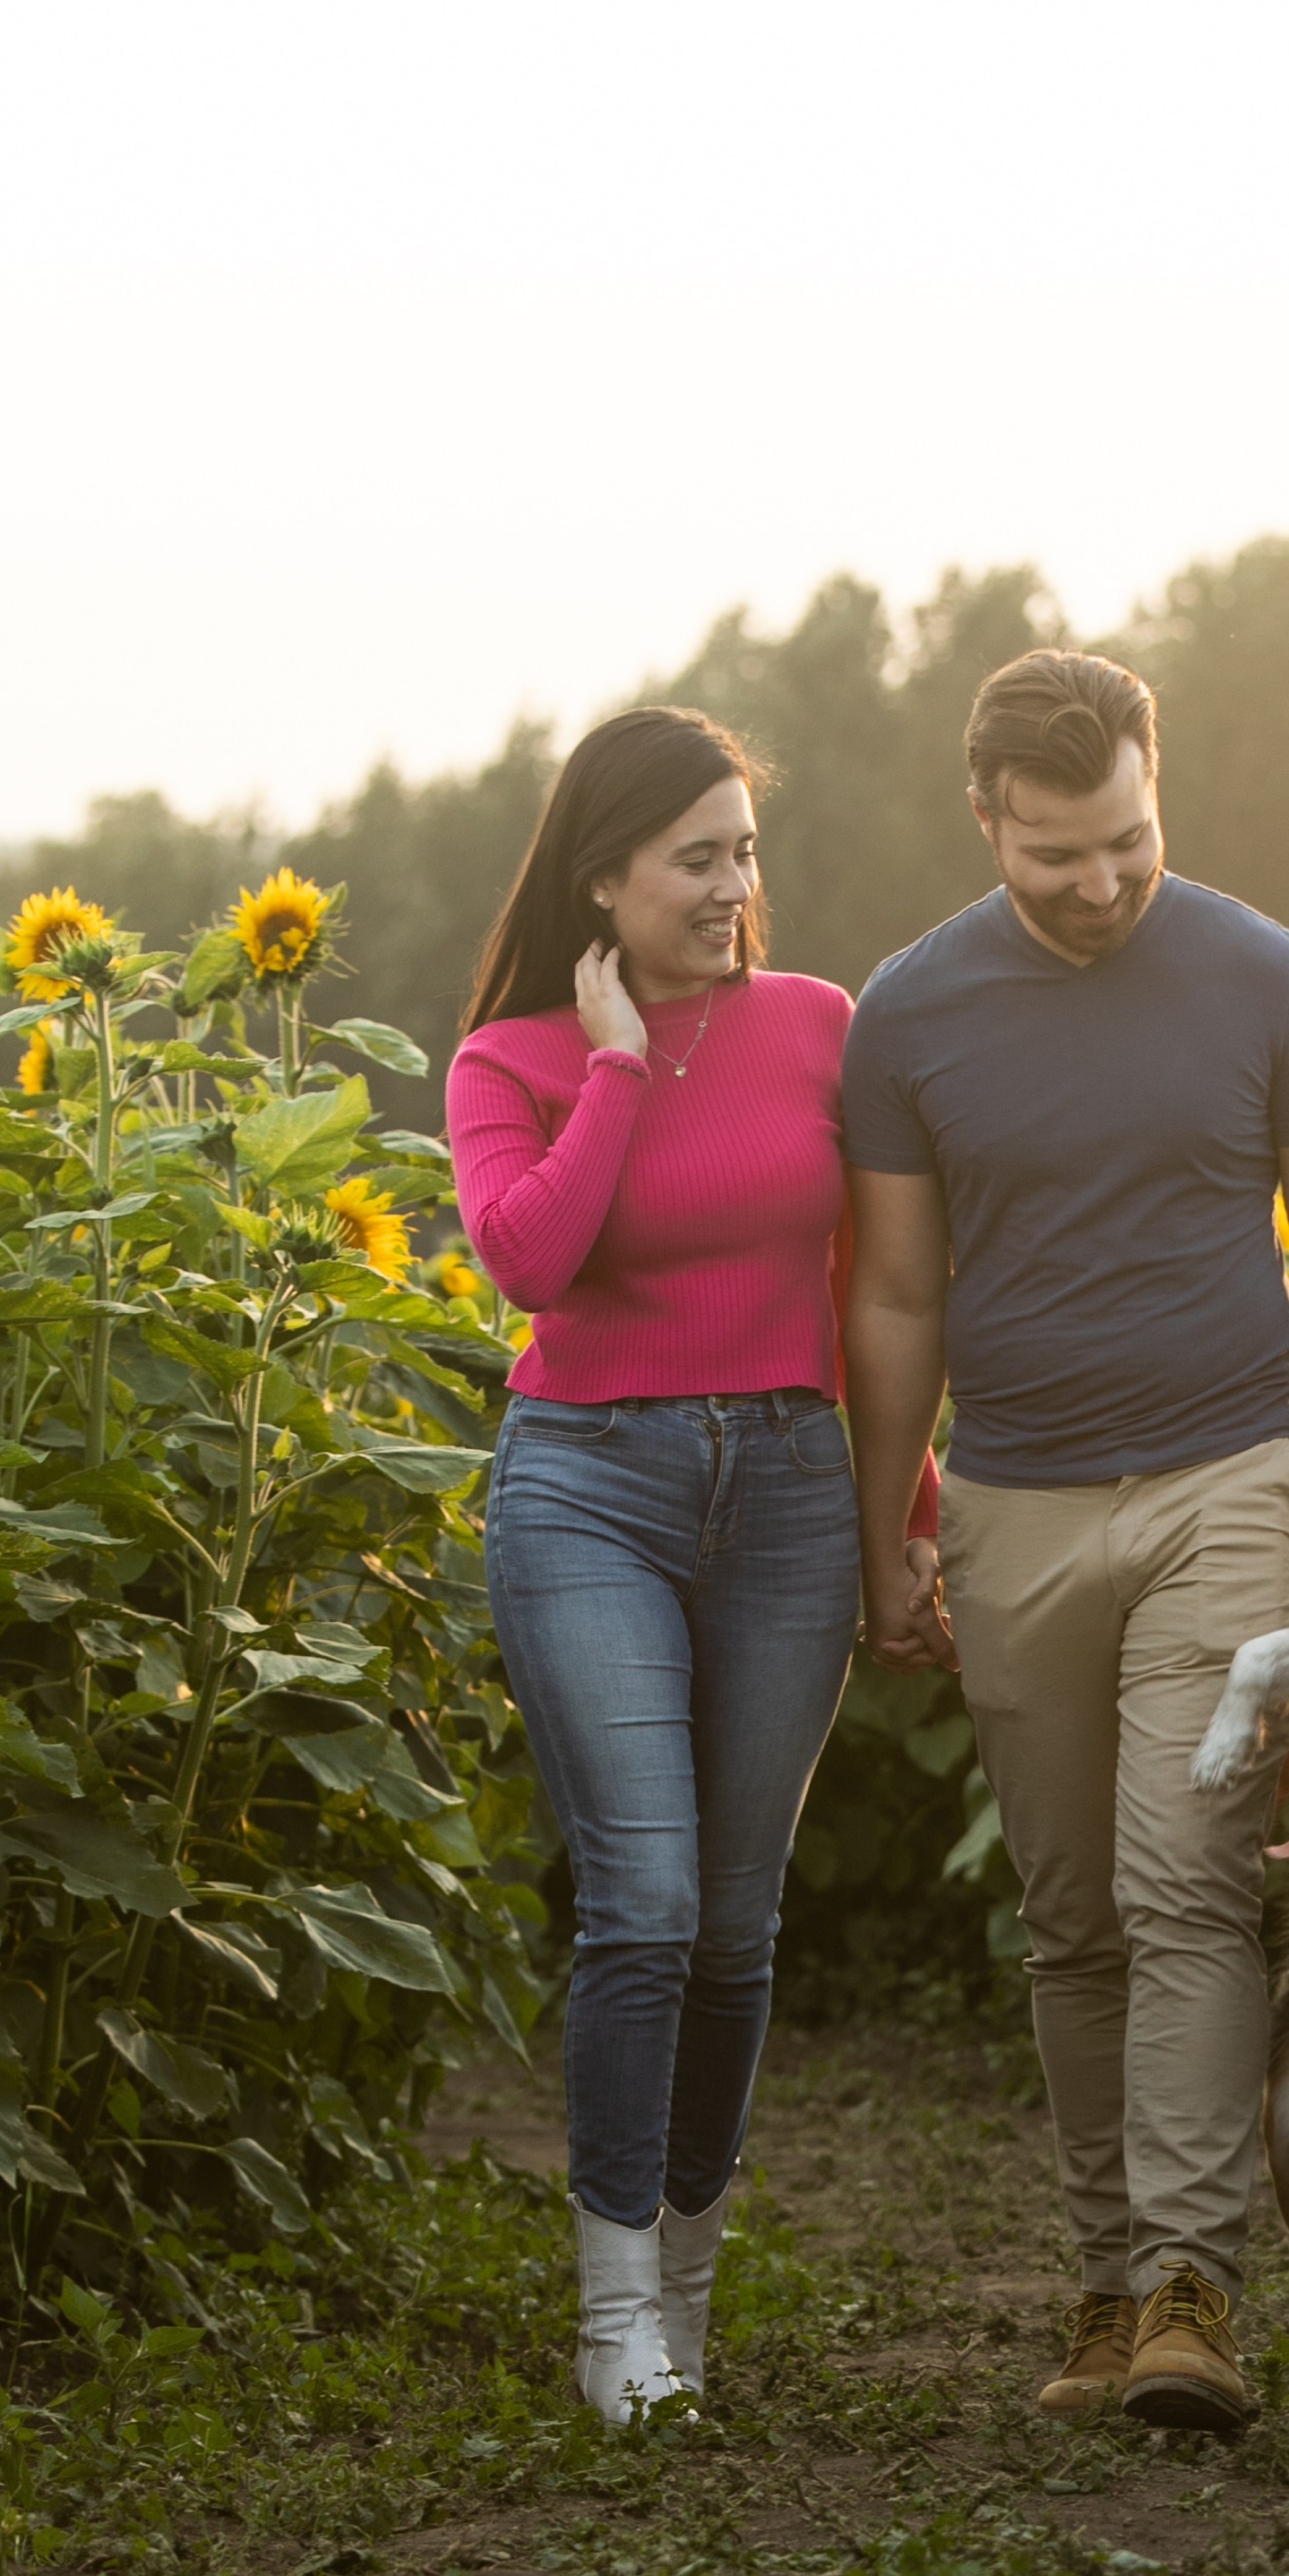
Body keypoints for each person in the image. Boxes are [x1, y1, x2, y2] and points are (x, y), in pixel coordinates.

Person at [842, 648, 1289, 2434]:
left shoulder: (1268, 978)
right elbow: (902, 1294)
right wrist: (886, 1529)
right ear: (985, 821)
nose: (1095, 887)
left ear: (1160, 786)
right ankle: (1102, 2288)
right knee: (1071, 1914)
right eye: (1054, 857)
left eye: (1127, 846)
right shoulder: (908, 1016)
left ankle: (1189, 2293)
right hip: (1008, 1504)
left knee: (1181, 1880)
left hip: (1224, 1483)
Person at [448, 708, 935, 2424]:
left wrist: (908, 1505)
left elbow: (869, 1286)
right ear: (607, 876)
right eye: (698, 858)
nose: (738, 887)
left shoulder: (821, 1027)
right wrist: (614, 1064)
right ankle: (608, 2329)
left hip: (796, 1488)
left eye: (746, 851)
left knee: (734, 1928)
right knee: (642, 1906)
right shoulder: (511, 1061)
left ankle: (687, 2295)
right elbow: (531, 1262)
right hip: (589, 1488)